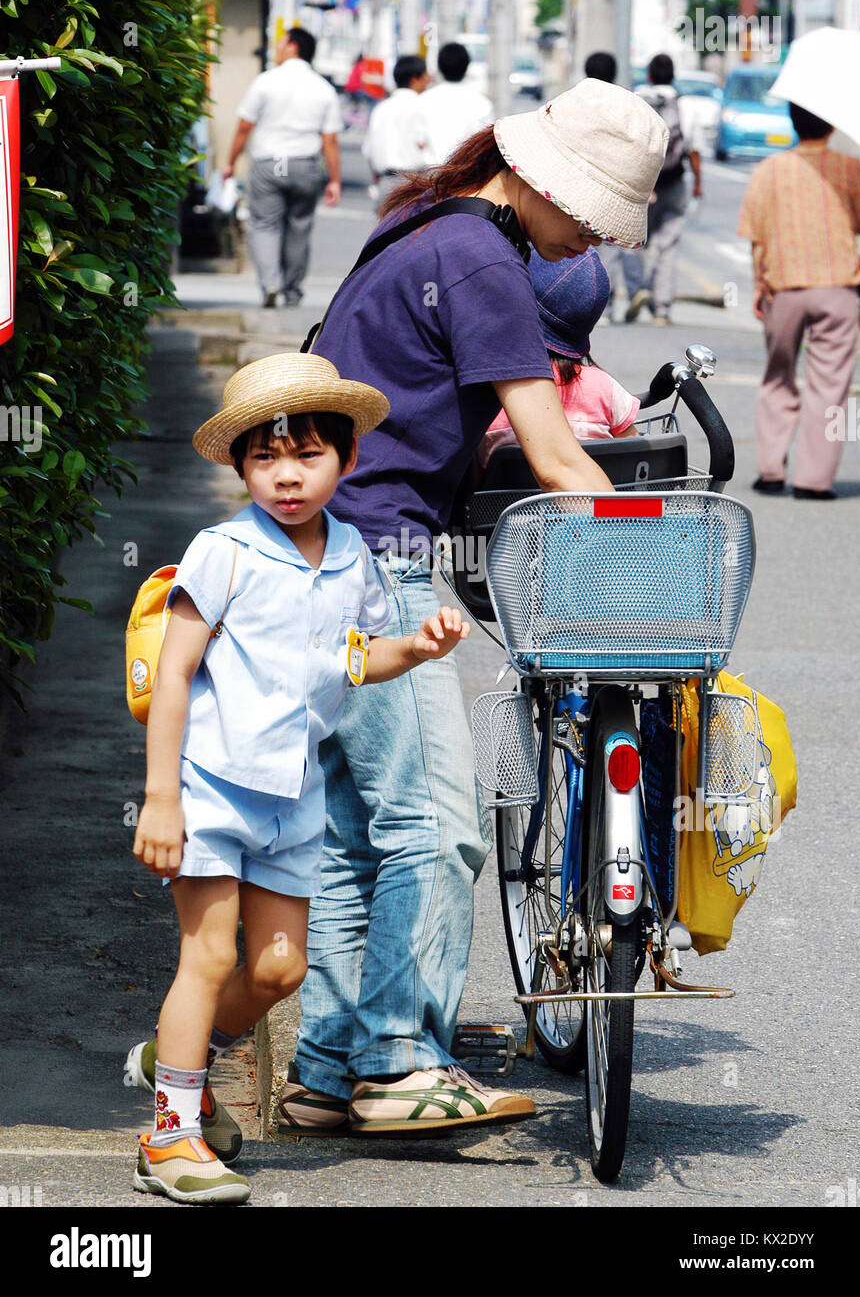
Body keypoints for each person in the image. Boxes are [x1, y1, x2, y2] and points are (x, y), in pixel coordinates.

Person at [274, 79, 668, 1137]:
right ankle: (401, 1064)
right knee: (439, 826)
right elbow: (550, 450)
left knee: (363, 833)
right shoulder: (487, 262)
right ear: (543, 179)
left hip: (314, 552)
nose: (589, 235)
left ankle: (325, 1067)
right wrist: (654, 546)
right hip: (373, 557)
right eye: (589, 210)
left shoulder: (424, 224)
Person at [126, 352, 474, 1204]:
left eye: (308, 456)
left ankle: (177, 1059)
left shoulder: (354, 555)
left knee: (279, 971)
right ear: (242, 465)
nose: (287, 476)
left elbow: (359, 659)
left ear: (347, 461)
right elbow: (174, 675)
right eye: (266, 458)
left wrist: (416, 648)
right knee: (206, 957)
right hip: (211, 786)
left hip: (294, 798)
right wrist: (162, 798)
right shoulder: (222, 551)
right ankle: (169, 1136)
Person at [737, 102, 860, 499]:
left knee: (778, 375)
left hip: (784, 286)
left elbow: (756, 238)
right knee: (830, 386)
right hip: (838, 287)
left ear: (792, 122)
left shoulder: (767, 170)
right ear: (830, 124)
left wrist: (760, 285)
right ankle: (814, 480)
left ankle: (771, 471)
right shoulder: (851, 169)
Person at [479, 248, 641, 466]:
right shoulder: (605, 388)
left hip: (502, 499)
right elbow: (633, 451)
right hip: (588, 499)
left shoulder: (494, 393)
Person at [223, 28, 343, 308]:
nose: (277, 47)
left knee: (264, 225)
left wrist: (231, 161)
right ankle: (292, 290)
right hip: (306, 165)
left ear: (292, 47)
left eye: (281, 42)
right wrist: (334, 179)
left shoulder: (265, 82)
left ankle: (270, 283)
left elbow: (244, 126)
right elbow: (330, 140)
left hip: (268, 164)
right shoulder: (323, 88)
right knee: (299, 227)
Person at [624, 53, 704, 327]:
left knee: (635, 243)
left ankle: (638, 291)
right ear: (673, 76)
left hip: (641, 183)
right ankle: (662, 310)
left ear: (649, 75)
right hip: (674, 182)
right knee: (668, 246)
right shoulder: (685, 106)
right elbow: (694, 149)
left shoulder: (636, 101)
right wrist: (698, 184)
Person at [583, 52, 642, 322]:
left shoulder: (578, 100)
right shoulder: (627, 105)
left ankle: (597, 309)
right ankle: (615, 303)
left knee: (585, 245)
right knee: (610, 246)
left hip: (583, 181)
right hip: (616, 181)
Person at [362, 55, 430, 213]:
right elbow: (425, 145)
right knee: (416, 236)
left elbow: (368, 150)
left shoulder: (381, 109)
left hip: (386, 182)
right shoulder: (422, 106)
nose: (428, 80)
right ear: (415, 79)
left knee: (387, 235)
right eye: (425, 76)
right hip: (415, 183)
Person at [417, 41, 494, 167]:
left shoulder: (423, 100)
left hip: (429, 176)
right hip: (465, 176)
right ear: (466, 66)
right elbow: (484, 147)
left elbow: (418, 143)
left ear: (439, 66)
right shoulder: (482, 103)